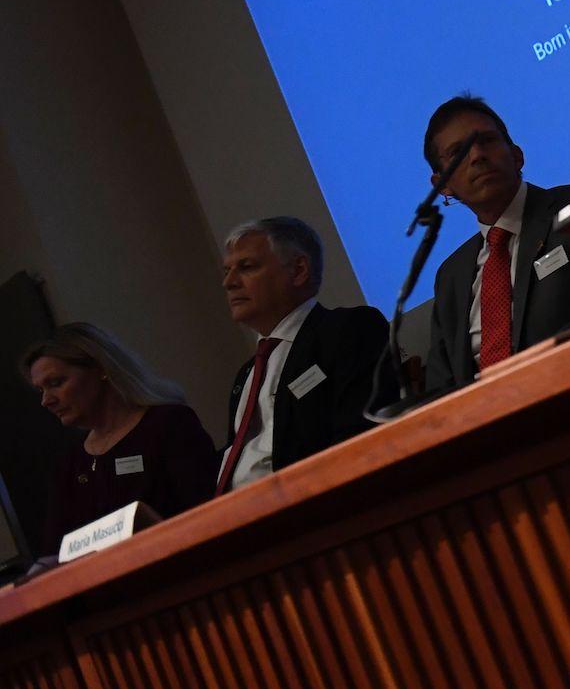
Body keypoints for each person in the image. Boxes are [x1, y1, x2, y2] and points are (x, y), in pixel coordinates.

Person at [421, 95, 570, 394]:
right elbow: (439, 392)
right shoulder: (451, 276)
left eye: (487, 140)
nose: (477, 155)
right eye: (458, 152)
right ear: (442, 186)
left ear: (516, 156)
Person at [218, 217, 392, 495]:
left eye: (246, 267)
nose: (229, 282)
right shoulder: (246, 375)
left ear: (298, 270)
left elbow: (359, 437)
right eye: (227, 271)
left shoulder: (348, 330)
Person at [20, 324, 217, 558]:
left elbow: (207, 515)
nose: (46, 401)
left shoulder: (168, 425)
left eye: (56, 383)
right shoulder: (70, 463)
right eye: (40, 390)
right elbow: (54, 555)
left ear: (101, 368)